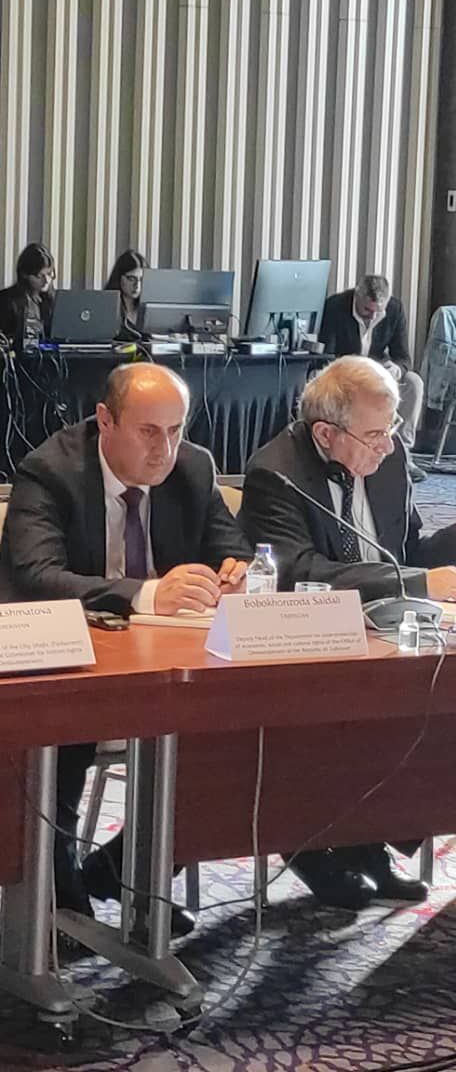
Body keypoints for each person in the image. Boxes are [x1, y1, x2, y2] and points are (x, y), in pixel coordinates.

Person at [240, 356, 456, 908]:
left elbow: (407, 551)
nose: (388, 446)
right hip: (306, 643)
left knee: (443, 698)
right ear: (326, 433)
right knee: (358, 709)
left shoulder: (390, 461)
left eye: (393, 428)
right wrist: (417, 581)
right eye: (374, 435)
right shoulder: (276, 472)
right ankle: (312, 843)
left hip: (386, 631)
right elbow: (299, 572)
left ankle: (371, 840)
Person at [0, 363, 252, 931]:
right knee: (63, 737)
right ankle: (55, 896)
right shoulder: (50, 471)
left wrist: (236, 573)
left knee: (235, 733)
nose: (165, 449)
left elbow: (232, 548)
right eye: (149, 431)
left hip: (166, 659)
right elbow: (38, 575)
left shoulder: (193, 468)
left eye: (176, 430)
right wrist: (147, 593)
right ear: (106, 420)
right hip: (69, 657)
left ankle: (124, 872)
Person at [319, 274, 426, 481]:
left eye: (379, 311)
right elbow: (327, 357)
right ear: (357, 296)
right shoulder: (335, 306)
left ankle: (403, 454)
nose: (373, 316)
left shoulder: (394, 309)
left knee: (414, 383)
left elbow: (404, 357)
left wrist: (396, 369)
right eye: (367, 310)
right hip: (346, 373)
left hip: (379, 373)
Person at [0, 243, 56, 353]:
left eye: (50, 274)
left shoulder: (53, 301)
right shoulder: (6, 301)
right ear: (24, 274)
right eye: (39, 276)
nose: (46, 280)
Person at [104, 249, 149, 341]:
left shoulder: (149, 308)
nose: (137, 285)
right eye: (131, 279)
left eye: (142, 279)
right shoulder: (106, 307)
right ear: (119, 277)